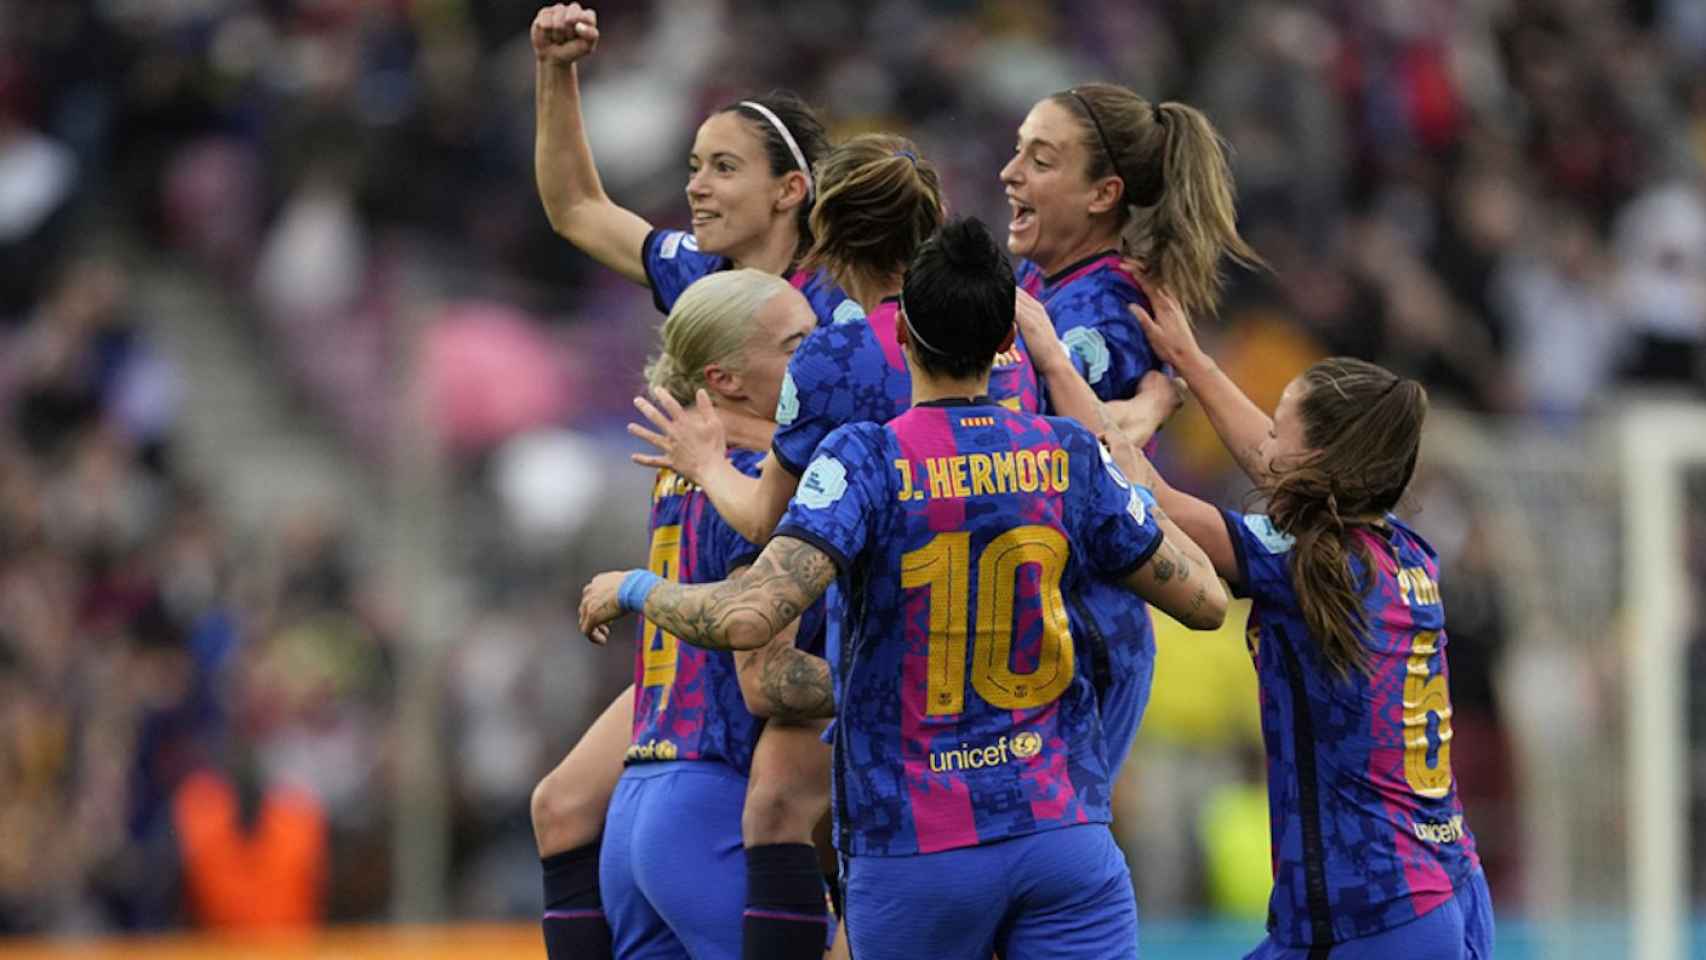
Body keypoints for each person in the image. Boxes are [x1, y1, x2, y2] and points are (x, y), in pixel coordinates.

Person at [582, 218, 1230, 959]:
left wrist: (635, 590)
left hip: (919, 849)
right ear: (1003, 346)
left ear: (906, 337)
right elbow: (1205, 601)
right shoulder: (1069, 454)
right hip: (1062, 834)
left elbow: (748, 613)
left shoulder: (865, 458)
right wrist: (1128, 471)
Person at [1039, 292, 1494, 958]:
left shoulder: (1305, 561)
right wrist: (1192, 359)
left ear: (1318, 460)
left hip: (1367, 914)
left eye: (1280, 428)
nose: (1263, 444)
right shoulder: (1404, 553)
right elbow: (1279, 467)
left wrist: (1051, 357)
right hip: (1441, 885)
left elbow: (1134, 487)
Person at [529, 8, 846, 957]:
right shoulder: (706, 285)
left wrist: (721, 452)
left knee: (775, 802)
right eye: (694, 164)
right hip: (728, 618)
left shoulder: (841, 310)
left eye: (721, 168)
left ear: (791, 190)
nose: (694, 187)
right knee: (562, 804)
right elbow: (578, 209)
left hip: (806, 599)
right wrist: (554, 73)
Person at [591, 269, 838, 960]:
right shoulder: (755, 472)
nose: (820, 358)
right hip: (712, 804)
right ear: (725, 378)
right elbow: (761, 672)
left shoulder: (687, 463)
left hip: (639, 797)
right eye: (797, 344)